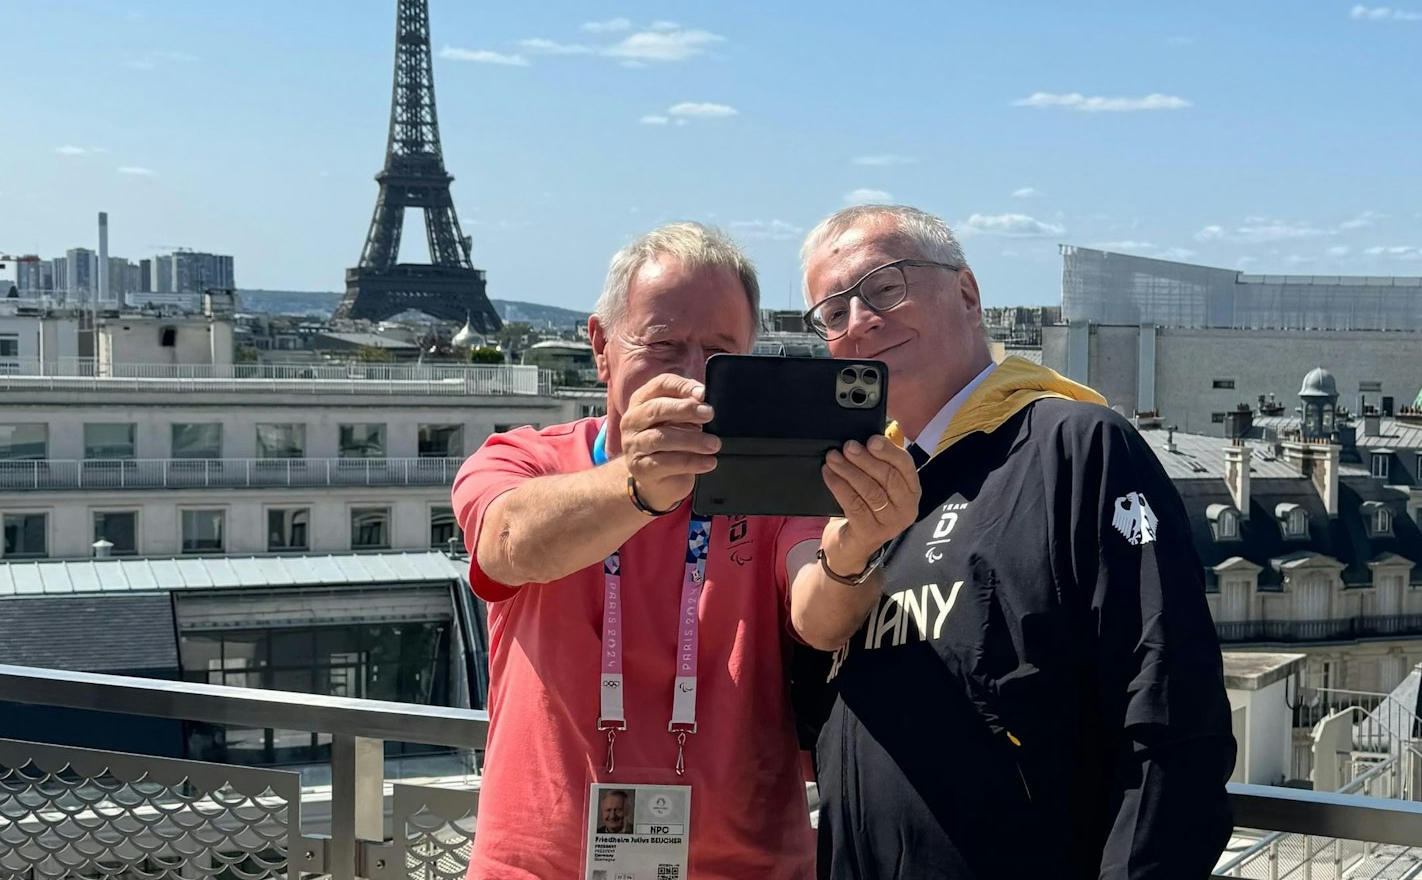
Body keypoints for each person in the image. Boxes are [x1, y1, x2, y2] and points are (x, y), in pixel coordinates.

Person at [454, 223, 917, 880]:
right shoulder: (523, 457)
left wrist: (860, 544)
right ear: (601, 347)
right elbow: (509, 545)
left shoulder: (771, 482)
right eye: (665, 344)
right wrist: (635, 486)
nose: (691, 376)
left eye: (719, 353)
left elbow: (818, 609)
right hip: (542, 865)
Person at [799, 205, 1236, 879]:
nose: (859, 320)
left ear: (967, 294)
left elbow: (1172, 718)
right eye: (832, 312)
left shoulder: (1076, 448)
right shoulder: (860, 498)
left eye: (884, 286)